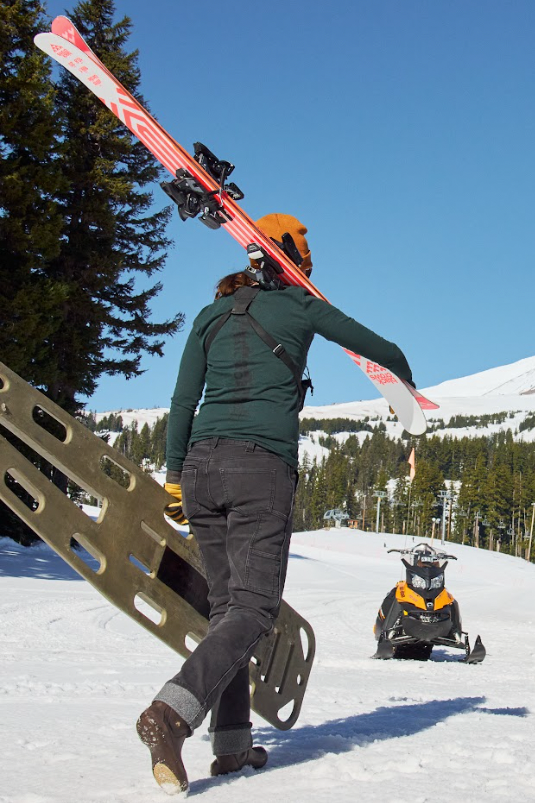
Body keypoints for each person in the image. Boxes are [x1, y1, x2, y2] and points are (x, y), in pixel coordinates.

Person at [136, 213, 415, 794]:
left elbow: (183, 399)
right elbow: (382, 349)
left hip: (199, 470)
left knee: (226, 611)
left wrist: (171, 477)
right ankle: (171, 714)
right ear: (296, 267)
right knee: (255, 610)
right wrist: (405, 396)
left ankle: (233, 747)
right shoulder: (302, 308)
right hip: (259, 469)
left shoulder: (211, 315)